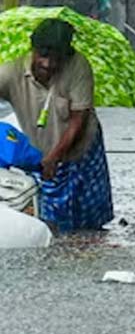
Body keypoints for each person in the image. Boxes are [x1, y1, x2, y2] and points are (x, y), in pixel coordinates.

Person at [0, 19, 113, 232]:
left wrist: (56, 155)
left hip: (81, 146)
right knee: (47, 213)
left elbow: (78, 119)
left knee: (88, 217)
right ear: (33, 50)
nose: (48, 64)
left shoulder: (79, 66)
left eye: (56, 58)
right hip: (41, 151)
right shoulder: (10, 73)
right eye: (43, 55)